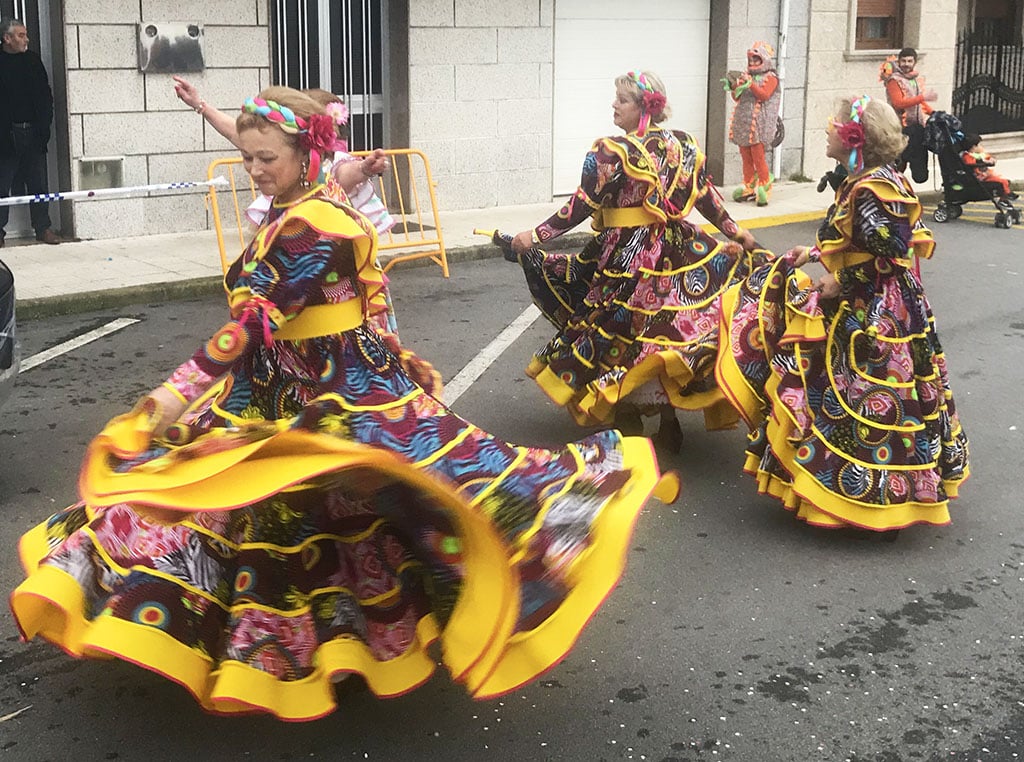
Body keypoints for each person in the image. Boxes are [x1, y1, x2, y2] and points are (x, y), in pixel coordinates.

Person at [9, 86, 679, 721]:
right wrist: (391, 348)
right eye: (247, 157)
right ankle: (342, 646)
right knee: (282, 519)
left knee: (377, 507)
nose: (253, 170)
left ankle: (359, 643)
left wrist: (169, 396)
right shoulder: (305, 213)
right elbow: (368, 293)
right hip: (284, 388)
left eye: (265, 158)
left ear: (306, 154)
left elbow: (253, 324)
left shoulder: (315, 225)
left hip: (338, 396)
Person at [716, 95, 970, 533]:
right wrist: (813, 254)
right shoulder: (872, 180)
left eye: (834, 124)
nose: (828, 129)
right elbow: (864, 244)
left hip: (873, 310)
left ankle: (867, 501)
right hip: (882, 303)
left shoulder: (870, 188)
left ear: (856, 137)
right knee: (866, 400)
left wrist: (840, 282)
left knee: (861, 402)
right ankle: (868, 495)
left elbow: (889, 253)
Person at [507, 70, 760, 453]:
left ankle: (626, 416)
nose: (614, 104)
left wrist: (535, 235)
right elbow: (706, 197)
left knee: (620, 334)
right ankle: (667, 419)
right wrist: (735, 232)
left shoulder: (611, 153)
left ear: (645, 106)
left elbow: (581, 205)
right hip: (676, 253)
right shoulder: (684, 147)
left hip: (628, 257)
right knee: (664, 334)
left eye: (622, 99)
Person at [0, 17, 61, 247]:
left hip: (33, 133)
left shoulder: (33, 61)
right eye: (21, 35)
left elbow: (45, 97)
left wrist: (44, 128)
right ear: (7, 38)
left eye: (26, 35)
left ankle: (43, 228)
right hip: (6, 135)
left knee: (38, 184)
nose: (26, 39)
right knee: (1, 185)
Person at [724, 41, 781, 206]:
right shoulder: (746, 75)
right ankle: (749, 184)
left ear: (764, 59)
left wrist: (751, 84)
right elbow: (737, 97)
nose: (753, 63)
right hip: (744, 122)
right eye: (751, 60)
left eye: (756, 59)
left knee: (758, 155)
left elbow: (763, 95)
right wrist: (734, 86)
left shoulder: (771, 77)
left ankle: (764, 182)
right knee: (745, 155)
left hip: (759, 124)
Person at [880, 47, 936, 183]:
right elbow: (898, 103)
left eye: (909, 61)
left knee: (918, 170)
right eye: (903, 61)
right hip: (901, 128)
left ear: (915, 62)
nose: (906, 64)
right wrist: (923, 97)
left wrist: (933, 113)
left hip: (917, 127)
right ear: (898, 62)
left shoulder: (915, 79)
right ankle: (894, 185)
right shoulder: (894, 80)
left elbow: (919, 102)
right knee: (899, 163)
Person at [959, 132, 1017, 204]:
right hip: (980, 177)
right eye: (979, 145)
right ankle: (1007, 195)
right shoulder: (967, 156)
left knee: (1004, 181)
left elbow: (987, 157)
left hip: (986, 174)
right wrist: (983, 162)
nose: (981, 147)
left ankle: (1004, 199)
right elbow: (970, 163)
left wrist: (991, 160)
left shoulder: (978, 154)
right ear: (974, 147)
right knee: (1003, 182)